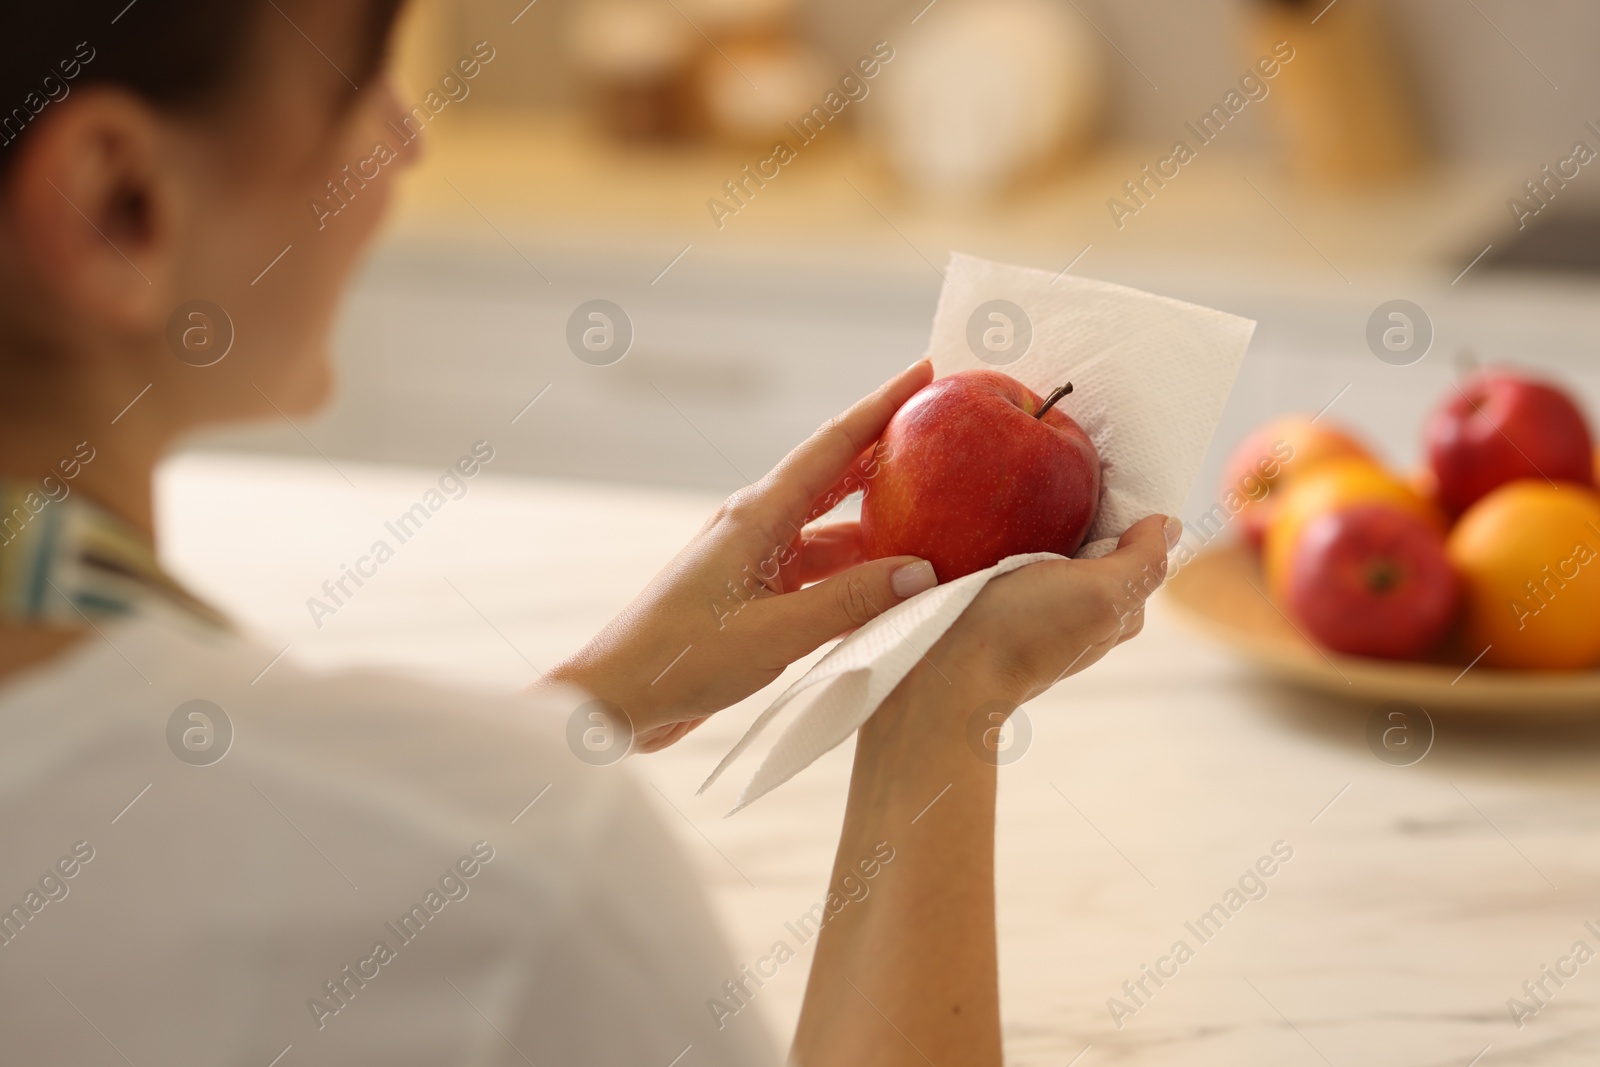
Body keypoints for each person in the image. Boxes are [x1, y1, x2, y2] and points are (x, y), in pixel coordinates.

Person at [0, 2, 1179, 1064]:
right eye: (358, 78)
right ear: (119, 204)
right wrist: (940, 707)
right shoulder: (534, 891)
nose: (405, 143)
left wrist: (594, 699)